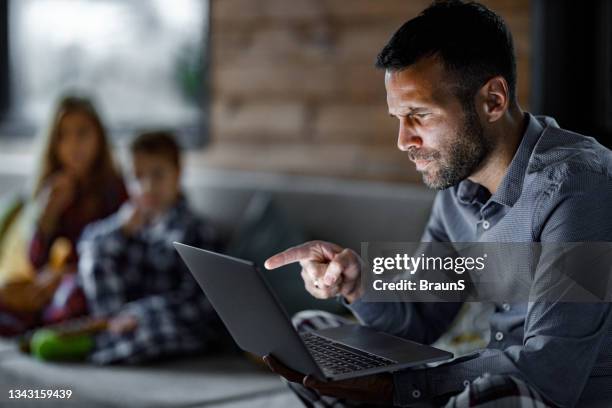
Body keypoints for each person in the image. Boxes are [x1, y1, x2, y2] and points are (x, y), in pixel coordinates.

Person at [262, 1, 612, 407]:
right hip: (490, 386)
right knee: (310, 336)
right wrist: (357, 286)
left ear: (493, 101)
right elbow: (421, 321)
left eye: (420, 116)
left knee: (501, 392)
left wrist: (403, 390)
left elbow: (550, 371)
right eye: (398, 117)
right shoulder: (457, 191)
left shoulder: (580, 188)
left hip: (546, 394)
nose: (403, 140)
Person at [77, 131, 225, 364]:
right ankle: (108, 330)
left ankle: (101, 344)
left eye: (157, 175)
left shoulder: (195, 231)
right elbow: (87, 246)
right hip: (119, 316)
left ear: (177, 174)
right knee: (96, 250)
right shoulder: (130, 222)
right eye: (137, 177)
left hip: (173, 322)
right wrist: (120, 229)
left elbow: (200, 302)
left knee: (148, 336)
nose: (146, 187)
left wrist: (138, 314)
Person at [0, 95, 127, 335]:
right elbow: (37, 261)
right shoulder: (51, 188)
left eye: (82, 133)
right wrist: (48, 213)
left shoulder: (114, 190)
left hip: (89, 284)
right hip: (49, 285)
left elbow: (119, 256)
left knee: (70, 298)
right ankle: (44, 326)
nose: (73, 145)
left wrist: (64, 274)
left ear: (99, 138)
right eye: (63, 136)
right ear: (53, 144)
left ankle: (52, 327)